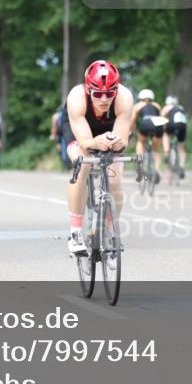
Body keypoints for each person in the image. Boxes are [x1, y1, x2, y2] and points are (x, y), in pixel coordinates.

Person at [62, 60, 134, 257]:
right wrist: (93, 143)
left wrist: (117, 143)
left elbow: (122, 140)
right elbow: (85, 142)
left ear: (116, 91)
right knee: (82, 166)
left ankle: (110, 229)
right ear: (88, 89)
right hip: (81, 125)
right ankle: (75, 233)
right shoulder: (77, 97)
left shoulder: (125, 98)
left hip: (108, 127)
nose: (104, 99)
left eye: (110, 94)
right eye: (98, 94)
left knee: (115, 178)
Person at [130, 89, 163, 182]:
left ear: (141, 98)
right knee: (156, 149)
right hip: (157, 124)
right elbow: (161, 118)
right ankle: (156, 170)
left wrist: (130, 131)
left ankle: (139, 163)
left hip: (146, 123)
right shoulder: (157, 105)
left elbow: (132, 121)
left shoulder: (138, 105)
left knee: (140, 142)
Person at [160, 95, 188, 179]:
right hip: (182, 126)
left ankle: (166, 152)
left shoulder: (166, 108)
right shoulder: (180, 108)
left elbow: (162, 119)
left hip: (172, 126)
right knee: (181, 148)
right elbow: (186, 122)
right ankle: (182, 166)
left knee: (166, 135)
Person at [50, 105, 70, 169]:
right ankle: (69, 162)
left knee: (60, 147)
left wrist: (53, 135)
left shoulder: (55, 116)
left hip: (61, 134)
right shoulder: (69, 114)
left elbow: (54, 128)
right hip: (69, 132)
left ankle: (64, 162)